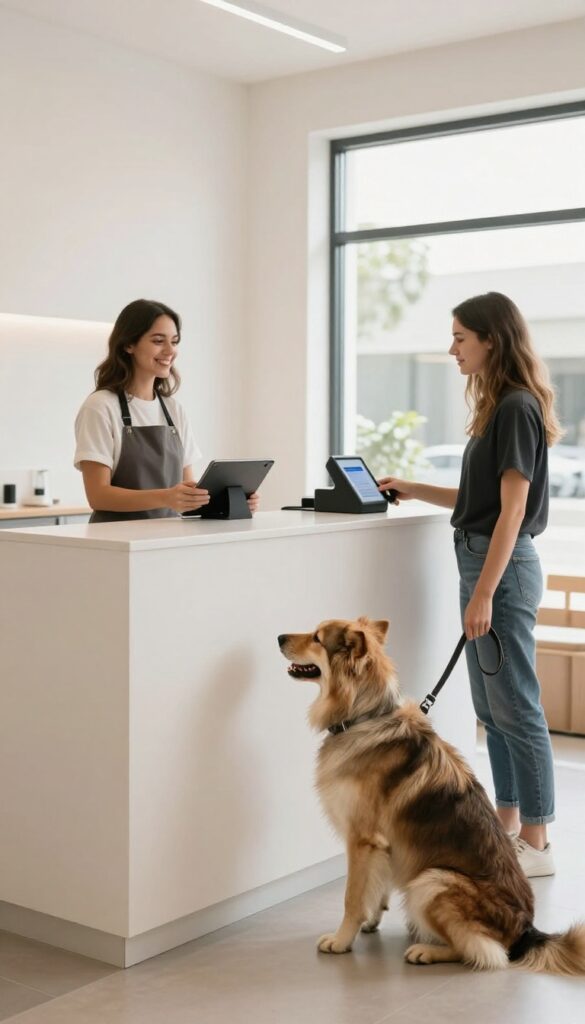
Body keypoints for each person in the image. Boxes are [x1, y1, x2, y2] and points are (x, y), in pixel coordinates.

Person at [378, 291, 562, 878]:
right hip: (482, 562)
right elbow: (480, 502)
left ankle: (537, 840)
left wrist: (484, 592)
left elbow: (511, 513)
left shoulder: (514, 406)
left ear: (491, 339)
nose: (452, 348)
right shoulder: (497, 408)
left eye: (460, 337)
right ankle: (508, 827)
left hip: (499, 572)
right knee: (493, 705)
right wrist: (412, 486)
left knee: (517, 705)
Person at [75, 299, 258, 522]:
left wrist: (232, 500)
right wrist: (166, 497)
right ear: (128, 345)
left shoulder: (173, 409)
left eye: (174, 341)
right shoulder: (101, 406)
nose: (170, 351)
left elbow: (187, 493)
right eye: (158, 341)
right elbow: (98, 495)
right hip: (118, 542)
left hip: (167, 540)